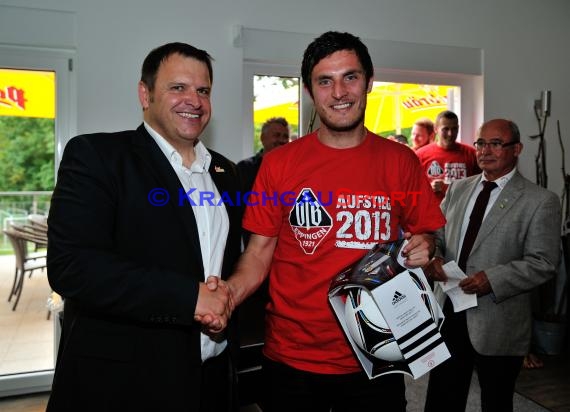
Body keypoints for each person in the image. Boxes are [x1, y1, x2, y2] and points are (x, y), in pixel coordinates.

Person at [220, 31, 446, 411]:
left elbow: (427, 229)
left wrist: (427, 243)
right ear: (310, 90)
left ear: (369, 82)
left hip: (376, 353)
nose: (339, 92)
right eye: (325, 81)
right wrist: (226, 297)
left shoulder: (401, 161)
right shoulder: (279, 165)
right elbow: (258, 254)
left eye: (350, 77)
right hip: (291, 357)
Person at [46, 42, 242, 412]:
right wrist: (189, 297)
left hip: (211, 378)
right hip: (124, 385)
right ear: (145, 93)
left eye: (203, 90)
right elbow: (71, 266)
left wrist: (222, 301)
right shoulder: (97, 157)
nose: (194, 101)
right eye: (178, 88)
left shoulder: (226, 173)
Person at [424, 119, 561, 412]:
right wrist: (433, 256)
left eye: (496, 144)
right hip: (449, 310)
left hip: (498, 319)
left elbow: (544, 262)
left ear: (517, 149)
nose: (485, 151)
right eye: (481, 143)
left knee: (496, 401)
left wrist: (493, 279)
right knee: (442, 398)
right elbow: (436, 235)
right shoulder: (459, 188)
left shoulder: (540, 201)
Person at [416, 110, 480, 202]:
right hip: (432, 213)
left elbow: (480, 187)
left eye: (454, 129)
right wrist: (428, 188)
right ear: (436, 129)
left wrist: (446, 188)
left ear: (458, 128)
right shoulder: (421, 155)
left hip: (463, 213)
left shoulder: (472, 154)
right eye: (445, 129)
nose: (450, 134)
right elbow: (410, 188)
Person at [237, 117, 290, 195]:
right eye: (276, 135)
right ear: (263, 138)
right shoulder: (245, 168)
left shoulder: (292, 168)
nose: (282, 140)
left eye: (285, 137)